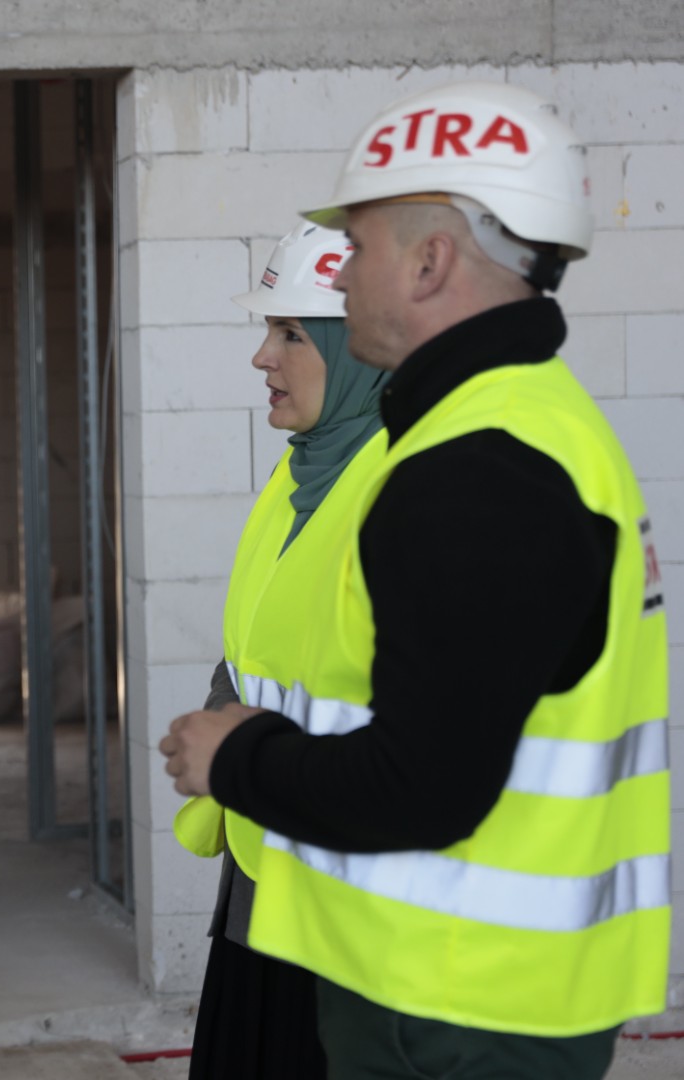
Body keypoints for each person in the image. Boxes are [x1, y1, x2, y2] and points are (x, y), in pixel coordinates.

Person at [160, 80, 669, 1078]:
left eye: (357, 246)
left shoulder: (480, 466)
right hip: (466, 989)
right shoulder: (522, 426)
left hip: (453, 1010)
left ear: (431, 260)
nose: (344, 275)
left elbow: (424, 786)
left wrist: (237, 757)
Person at [173, 221, 384, 1080]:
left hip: (357, 900)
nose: (263, 356)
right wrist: (222, 718)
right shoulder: (298, 474)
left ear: (359, 347)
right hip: (267, 868)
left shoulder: (407, 487)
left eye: (292, 333)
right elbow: (259, 645)